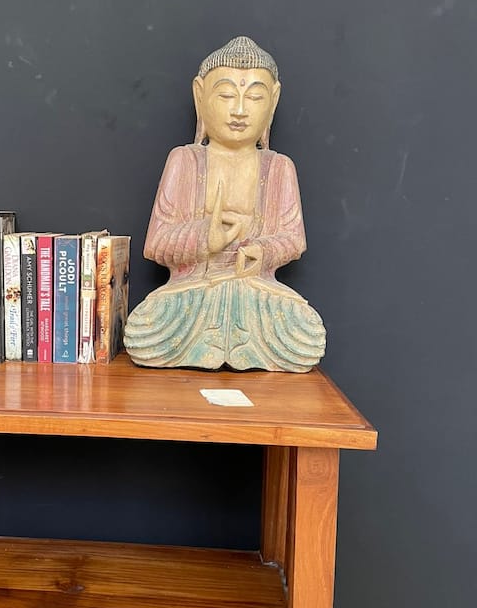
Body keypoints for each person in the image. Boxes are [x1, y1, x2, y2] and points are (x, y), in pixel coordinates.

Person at [123, 36, 326, 371]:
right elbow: (156, 244)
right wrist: (206, 237)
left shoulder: (279, 168)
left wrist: (261, 251)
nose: (240, 110)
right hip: (193, 291)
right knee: (143, 331)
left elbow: (293, 240)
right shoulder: (185, 161)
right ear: (200, 96)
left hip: (256, 293)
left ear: (273, 101)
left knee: (307, 334)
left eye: (255, 97)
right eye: (227, 95)